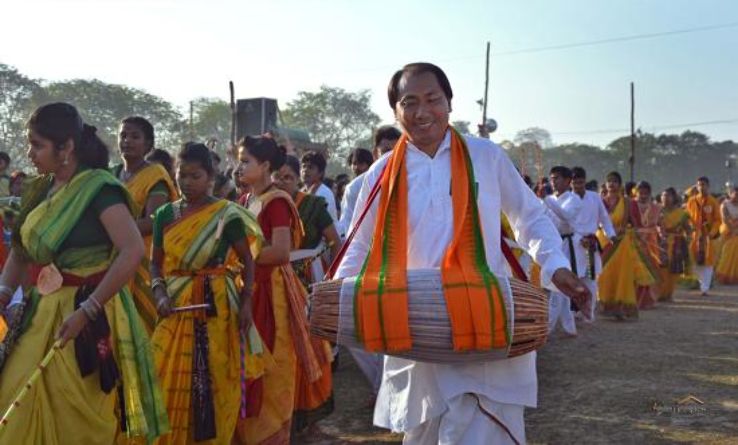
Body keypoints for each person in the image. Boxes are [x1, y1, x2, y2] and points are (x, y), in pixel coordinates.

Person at [335, 63, 588, 444]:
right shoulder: (381, 174)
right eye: (410, 102)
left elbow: (529, 216)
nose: (422, 112)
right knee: (427, 429)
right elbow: (359, 243)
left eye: (433, 99)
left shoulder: (485, 156)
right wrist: (335, 299)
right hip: (416, 325)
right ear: (395, 112)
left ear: (450, 103)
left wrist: (556, 265)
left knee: (479, 428)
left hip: (483, 319)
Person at [0, 102, 168, 444]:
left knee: (74, 411)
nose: (29, 153)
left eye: (37, 145)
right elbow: (20, 248)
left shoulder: (99, 189)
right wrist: (3, 293)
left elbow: (132, 249)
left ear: (66, 148)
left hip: (87, 313)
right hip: (41, 311)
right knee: (15, 394)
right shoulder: (39, 189)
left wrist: (88, 310)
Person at [148, 143, 265, 444]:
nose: (187, 182)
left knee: (214, 377)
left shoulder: (226, 215)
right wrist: (159, 294)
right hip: (175, 306)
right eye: (182, 175)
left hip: (218, 308)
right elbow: (155, 262)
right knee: (165, 373)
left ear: (211, 177)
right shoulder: (164, 215)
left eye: (195, 176)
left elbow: (247, 259)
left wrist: (247, 302)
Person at [236, 136, 329, 444]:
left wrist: (239, 257)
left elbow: (279, 253)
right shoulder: (244, 200)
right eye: (239, 160)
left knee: (273, 365)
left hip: (271, 292)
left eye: (245, 161)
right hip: (247, 288)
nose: (239, 167)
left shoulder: (276, 201)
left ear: (265, 166)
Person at [113, 116, 178, 332]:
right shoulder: (112, 174)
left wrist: (112, 230)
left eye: (135, 136)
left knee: (142, 324)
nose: (127, 141)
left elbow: (153, 221)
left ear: (148, 144)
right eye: (123, 135)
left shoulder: (155, 176)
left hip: (144, 258)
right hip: (112, 257)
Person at [597, 171, 657, 320]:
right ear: (606, 184)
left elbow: (636, 223)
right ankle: (606, 306)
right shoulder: (600, 202)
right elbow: (594, 221)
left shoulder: (628, 203)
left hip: (622, 244)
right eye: (609, 181)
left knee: (622, 276)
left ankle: (622, 308)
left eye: (615, 181)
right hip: (604, 242)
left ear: (620, 184)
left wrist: (632, 233)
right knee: (604, 274)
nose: (612, 184)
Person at [274, 155, 341, 287]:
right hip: (276, 276)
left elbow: (335, 242)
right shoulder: (267, 205)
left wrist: (331, 278)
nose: (280, 183)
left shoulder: (313, 204)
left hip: (309, 275)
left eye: (287, 177)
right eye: (276, 177)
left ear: (297, 179)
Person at [543, 166, 584, 336]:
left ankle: (547, 328)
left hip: (567, 244)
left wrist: (546, 199)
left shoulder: (574, 199)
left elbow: (565, 216)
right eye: (552, 178)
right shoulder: (549, 199)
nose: (553, 182)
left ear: (568, 181)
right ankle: (569, 327)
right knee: (561, 287)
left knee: (558, 286)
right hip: (551, 243)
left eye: (557, 178)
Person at [571, 167, 616, 321]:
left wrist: (611, 234)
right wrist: (578, 238)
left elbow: (604, 218)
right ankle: (574, 311)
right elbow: (565, 224)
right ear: (571, 183)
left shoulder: (595, 197)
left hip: (591, 243)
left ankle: (589, 312)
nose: (578, 185)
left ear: (585, 181)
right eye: (575, 182)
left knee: (590, 279)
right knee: (574, 278)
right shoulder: (567, 199)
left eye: (581, 182)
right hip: (573, 244)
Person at [686, 177, 722, 295]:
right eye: (699, 185)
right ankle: (700, 283)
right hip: (695, 236)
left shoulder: (713, 202)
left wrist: (712, 232)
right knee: (694, 258)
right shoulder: (691, 201)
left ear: (708, 186)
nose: (702, 187)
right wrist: (689, 228)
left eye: (704, 185)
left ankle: (705, 288)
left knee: (708, 260)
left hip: (708, 236)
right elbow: (687, 217)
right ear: (696, 186)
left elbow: (718, 220)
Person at [657, 187, 692, 300]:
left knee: (673, 269)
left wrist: (688, 238)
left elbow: (688, 229)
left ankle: (668, 293)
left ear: (674, 198)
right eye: (663, 195)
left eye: (668, 196)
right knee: (661, 268)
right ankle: (659, 293)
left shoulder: (681, 213)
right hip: (660, 243)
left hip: (676, 244)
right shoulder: (656, 210)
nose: (665, 198)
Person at [631, 181, 662, 309]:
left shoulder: (656, 208)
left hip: (651, 243)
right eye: (640, 192)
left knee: (651, 269)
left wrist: (663, 236)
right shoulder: (630, 205)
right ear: (636, 192)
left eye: (646, 193)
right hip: (634, 241)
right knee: (635, 271)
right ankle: (633, 299)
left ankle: (648, 299)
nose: (643, 195)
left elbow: (661, 224)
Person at [338, 148, 375, 237]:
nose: (356, 167)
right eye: (354, 164)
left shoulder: (373, 182)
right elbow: (347, 216)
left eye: (361, 163)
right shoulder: (351, 186)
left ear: (369, 164)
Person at [715, 185, 738, 283]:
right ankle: (724, 275)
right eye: (736, 194)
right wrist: (733, 230)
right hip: (728, 230)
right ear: (730, 194)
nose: (737, 197)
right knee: (726, 253)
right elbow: (725, 219)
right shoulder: (725, 204)